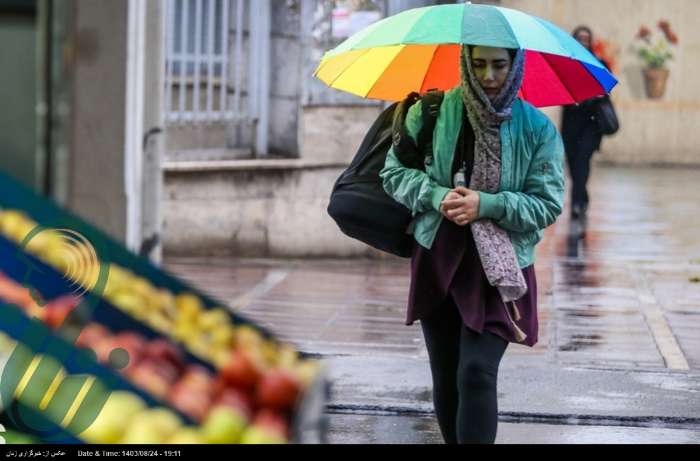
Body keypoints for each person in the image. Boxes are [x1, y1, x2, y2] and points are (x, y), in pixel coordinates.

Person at [379, 45, 565, 444]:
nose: (489, 75)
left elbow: (547, 204)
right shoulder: (430, 112)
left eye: (499, 65)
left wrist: (488, 204)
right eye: (478, 64)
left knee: (476, 372)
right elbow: (393, 173)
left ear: (515, 65)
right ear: (465, 62)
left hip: (500, 267)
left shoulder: (536, 127)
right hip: (440, 255)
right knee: (446, 374)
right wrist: (434, 195)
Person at [561, 25, 610, 237]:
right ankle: (582, 198)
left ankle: (577, 204)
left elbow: (606, 92)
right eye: (579, 38)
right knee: (574, 166)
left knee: (583, 161)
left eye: (586, 38)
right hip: (572, 125)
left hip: (591, 125)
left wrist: (589, 98)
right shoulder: (566, 65)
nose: (583, 42)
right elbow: (561, 95)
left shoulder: (599, 64)